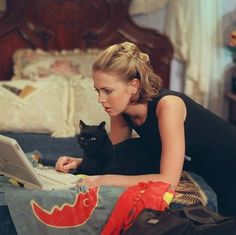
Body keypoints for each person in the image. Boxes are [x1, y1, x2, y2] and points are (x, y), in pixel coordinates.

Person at [55, 41, 236, 216]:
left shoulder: (168, 106)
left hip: (229, 165)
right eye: (97, 90)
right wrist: (83, 162)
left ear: (133, 86)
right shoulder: (118, 108)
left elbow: (168, 181)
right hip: (198, 166)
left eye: (107, 90)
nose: (100, 99)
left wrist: (104, 180)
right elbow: (117, 159)